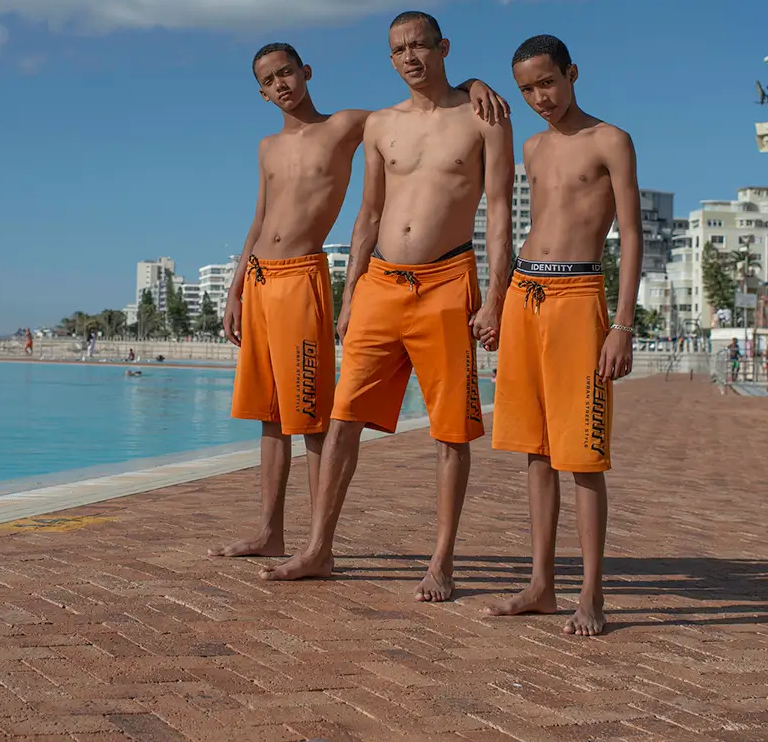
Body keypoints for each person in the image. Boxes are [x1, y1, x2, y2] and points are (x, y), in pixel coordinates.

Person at [211, 39, 509, 560]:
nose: (280, 85)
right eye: (268, 81)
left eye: (286, 73)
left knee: (312, 416)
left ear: (306, 70)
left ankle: (315, 542)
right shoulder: (267, 148)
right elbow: (258, 221)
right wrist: (235, 289)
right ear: (260, 93)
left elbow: (421, 109)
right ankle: (271, 531)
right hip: (259, 276)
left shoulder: (348, 123)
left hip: (305, 275)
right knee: (270, 415)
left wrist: (470, 85)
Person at [485, 34, 642, 637]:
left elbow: (631, 235)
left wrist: (621, 324)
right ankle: (541, 585)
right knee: (536, 450)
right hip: (526, 293)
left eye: (547, 83)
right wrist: (499, 303)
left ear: (572, 73)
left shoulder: (611, 140)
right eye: (526, 89)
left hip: (579, 297)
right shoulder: (531, 145)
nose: (539, 97)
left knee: (583, 456)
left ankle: (592, 594)